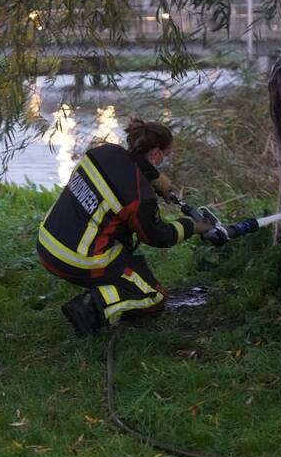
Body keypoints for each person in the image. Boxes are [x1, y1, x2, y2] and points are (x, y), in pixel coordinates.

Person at [37, 118, 212, 336]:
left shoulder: (104, 153)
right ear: (156, 154)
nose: (164, 160)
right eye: (165, 156)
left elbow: (128, 167)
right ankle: (89, 308)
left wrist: (155, 177)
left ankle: (110, 294)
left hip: (48, 240)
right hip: (74, 258)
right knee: (153, 296)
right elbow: (157, 236)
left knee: (129, 265)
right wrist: (192, 226)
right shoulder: (139, 197)